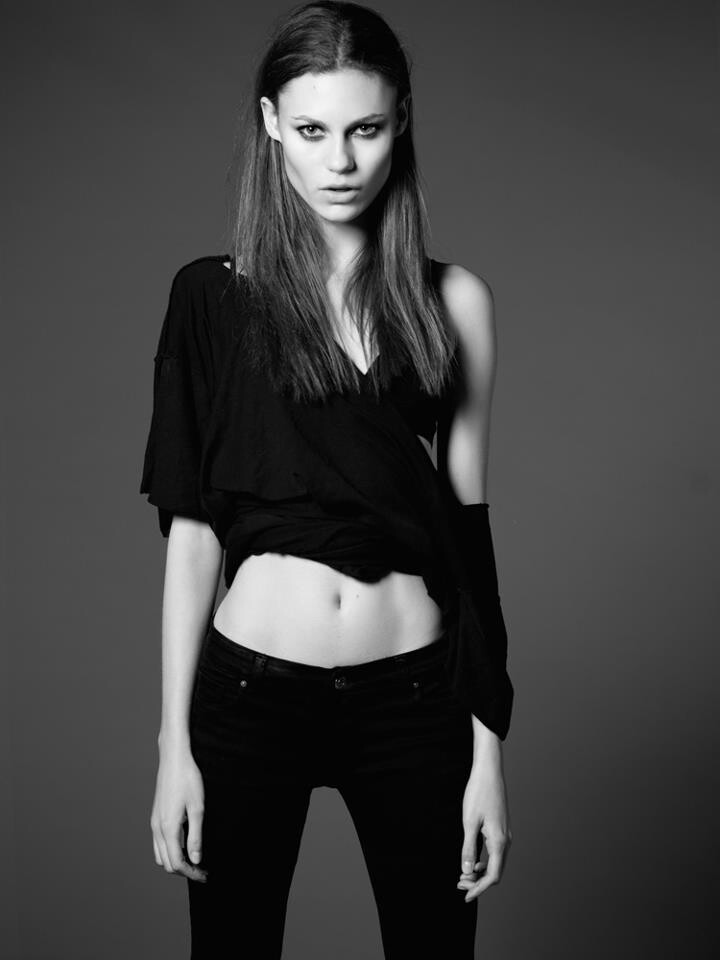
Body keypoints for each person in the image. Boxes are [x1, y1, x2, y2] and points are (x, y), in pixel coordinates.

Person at [140, 2, 514, 957]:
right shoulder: (211, 298)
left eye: (365, 128)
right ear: (271, 125)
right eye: (312, 131)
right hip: (250, 696)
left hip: (416, 698)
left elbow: (468, 538)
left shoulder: (454, 301)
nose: (340, 160)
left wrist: (488, 752)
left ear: (402, 121)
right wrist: (173, 746)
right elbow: (194, 534)